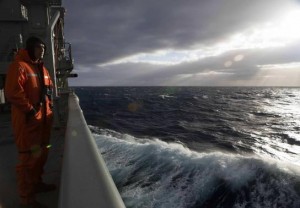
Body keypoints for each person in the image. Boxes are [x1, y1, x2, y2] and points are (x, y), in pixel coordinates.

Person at [5, 36, 55, 208]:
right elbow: (12, 92)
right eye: (38, 47)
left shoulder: (44, 70)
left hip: (43, 124)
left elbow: (48, 94)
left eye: (43, 48)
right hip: (29, 123)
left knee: (42, 155)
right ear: (30, 48)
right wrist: (31, 110)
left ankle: (37, 184)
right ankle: (27, 200)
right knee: (28, 160)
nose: (41, 50)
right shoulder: (19, 67)